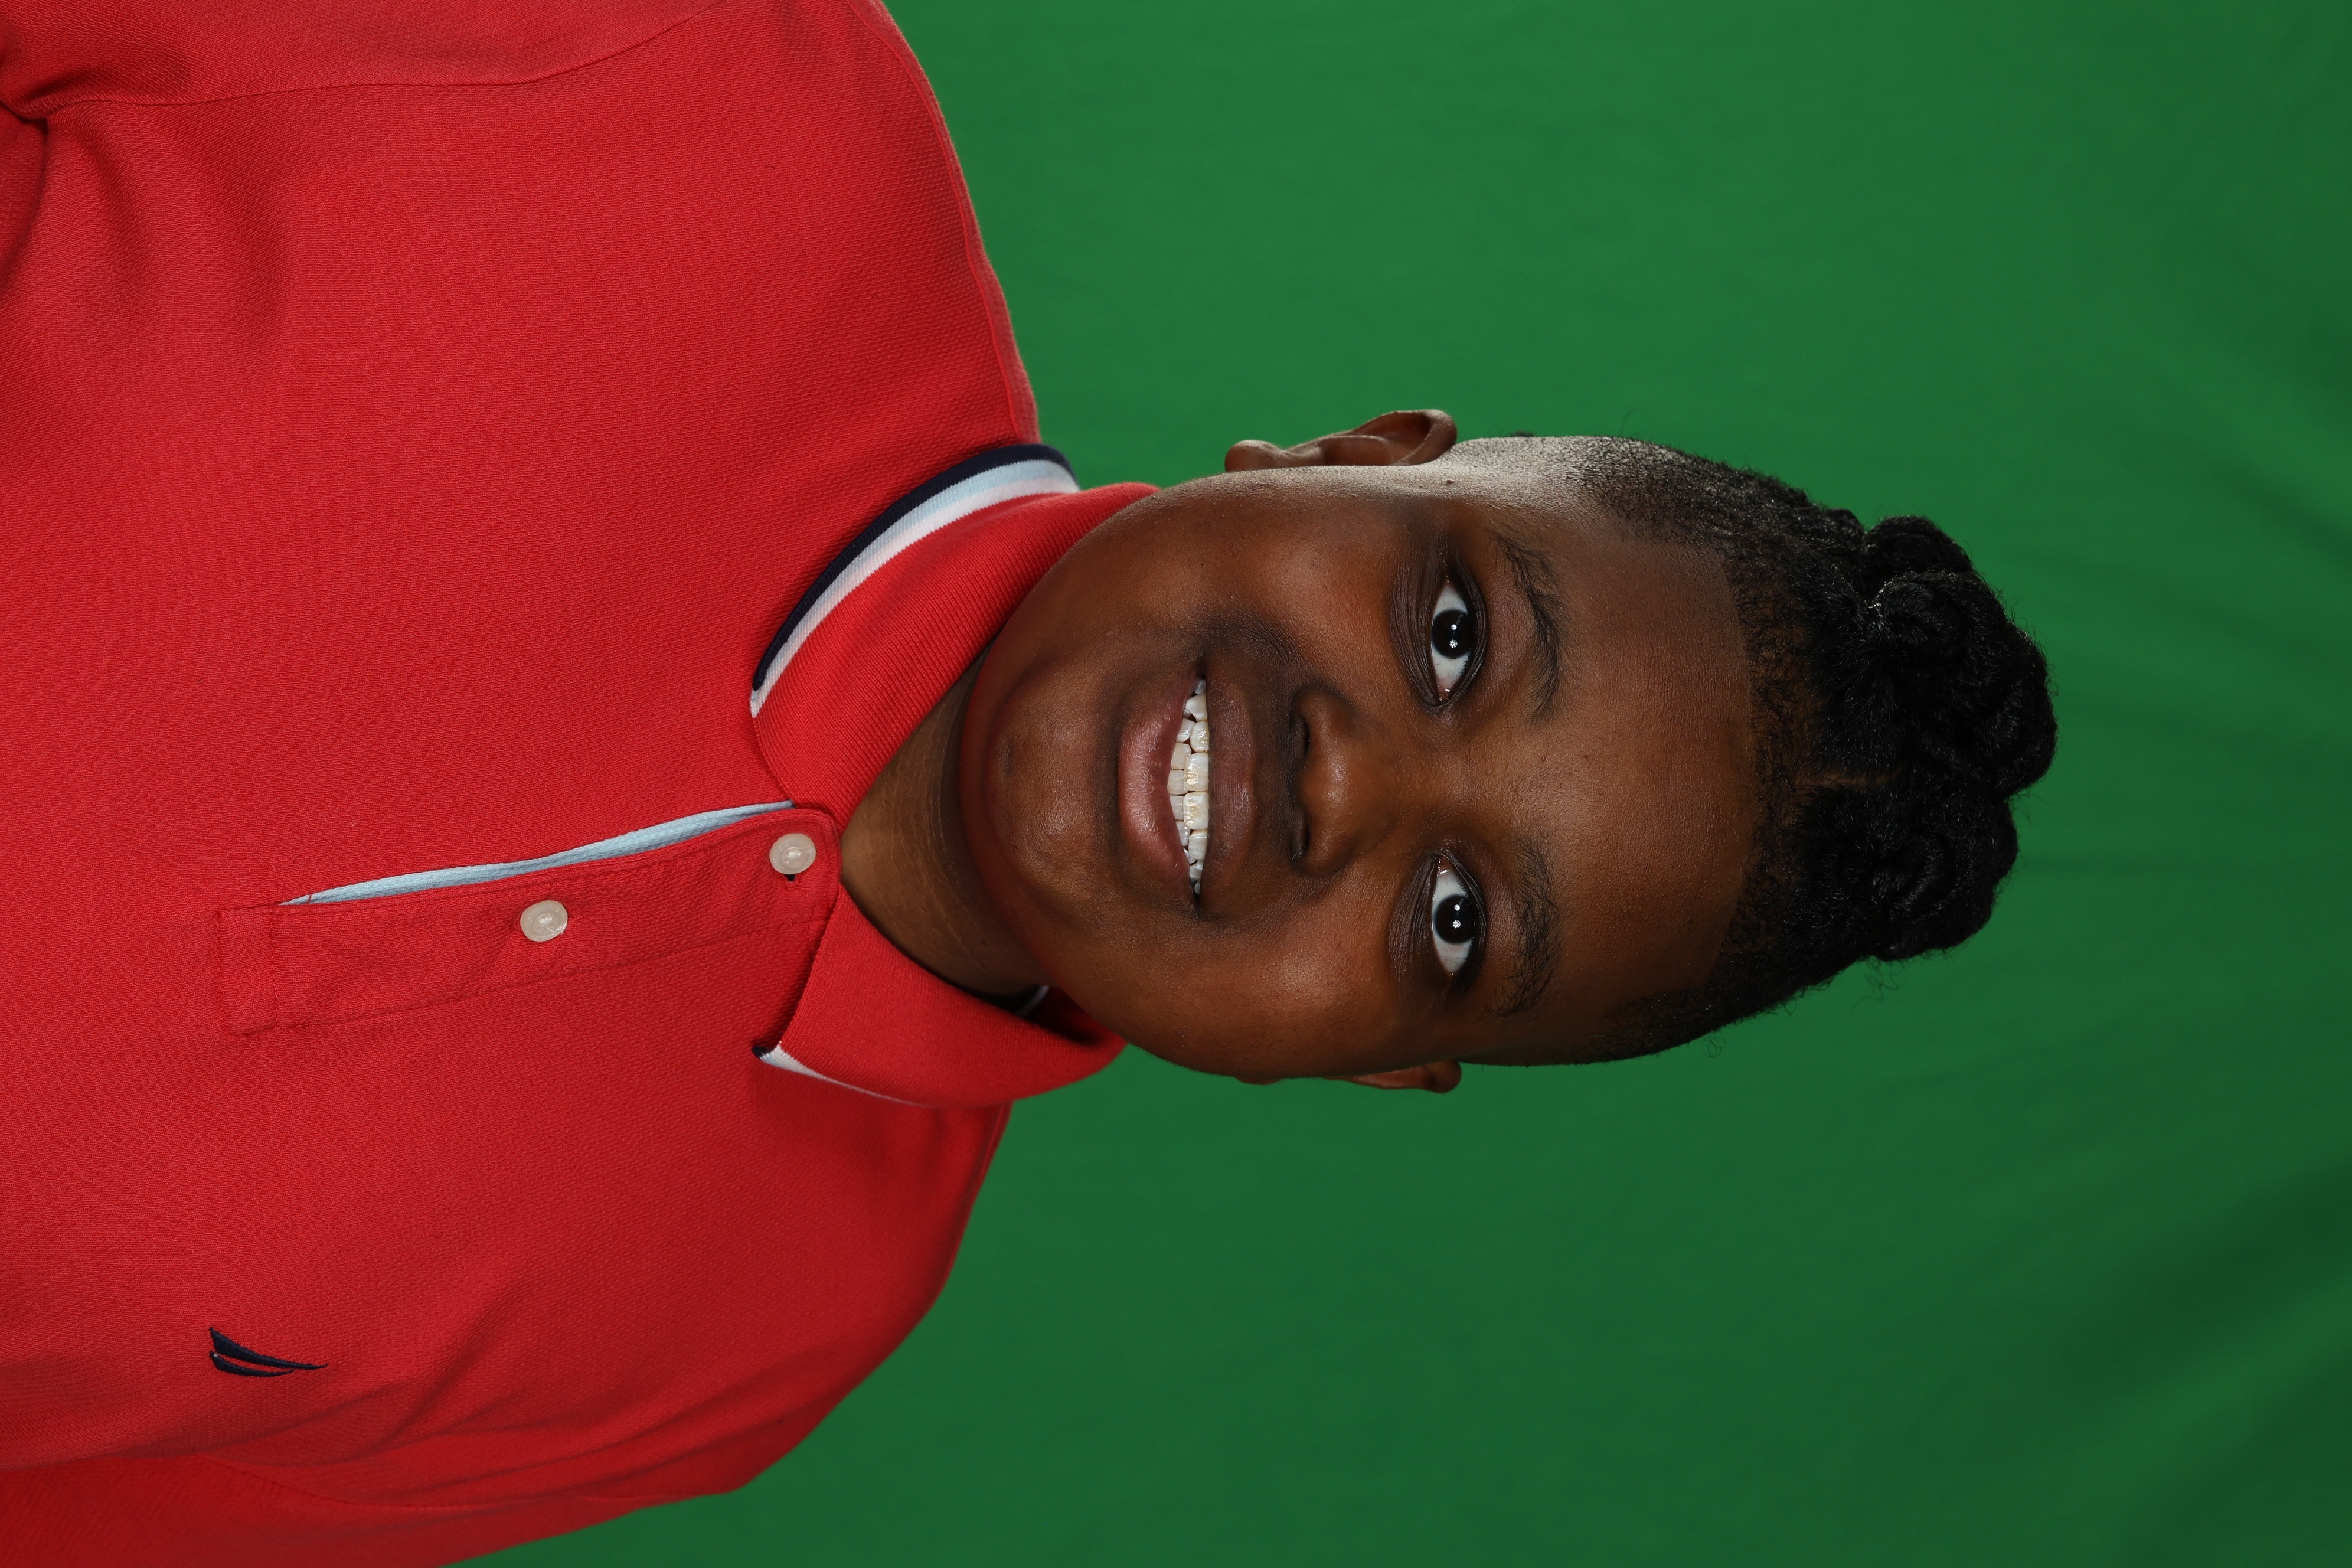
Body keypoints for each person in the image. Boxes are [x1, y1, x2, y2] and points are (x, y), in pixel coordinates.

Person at [0, 1, 2056, 1563]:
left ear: (1374, 1066)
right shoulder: (688, 78)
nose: (1346, 786)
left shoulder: (744, 1353)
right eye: (1455, 634)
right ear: (1350, 453)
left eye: (1456, 920)